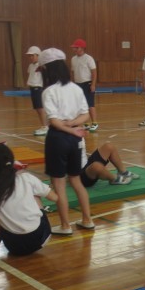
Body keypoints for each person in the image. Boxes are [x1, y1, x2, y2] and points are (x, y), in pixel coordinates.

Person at [0, 143, 58, 261]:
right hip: (39, 238)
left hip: (14, 246)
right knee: (35, 194)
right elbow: (54, 198)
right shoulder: (26, 178)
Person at [40, 47, 94, 235]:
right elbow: (86, 114)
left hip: (58, 139)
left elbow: (54, 122)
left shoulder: (49, 92)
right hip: (75, 138)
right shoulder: (76, 88)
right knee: (76, 180)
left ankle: (65, 226)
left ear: (48, 69)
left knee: (59, 184)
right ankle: (87, 220)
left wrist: (67, 127)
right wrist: (73, 127)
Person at [70, 38, 98, 132]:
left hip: (87, 83)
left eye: (76, 48)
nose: (74, 49)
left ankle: (94, 123)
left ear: (82, 48)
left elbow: (94, 72)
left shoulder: (88, 58)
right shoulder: (73, 59)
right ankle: (86, 123)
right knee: (81, 105)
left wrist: (93, 84)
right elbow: (72, 72)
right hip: (78, 84)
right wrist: (72, 84)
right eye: (74, 48)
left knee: (90, 104)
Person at [26, 45, 48, 136]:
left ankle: (45, 127)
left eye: (33, 55)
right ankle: (43, 126)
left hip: (38, 89)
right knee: (38, 109)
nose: (31, 57)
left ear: (38, 55)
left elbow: (46, 77)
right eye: (29, 56)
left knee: (40, 108)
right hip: (33, 88)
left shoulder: (42, 66)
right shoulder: (31, 66)